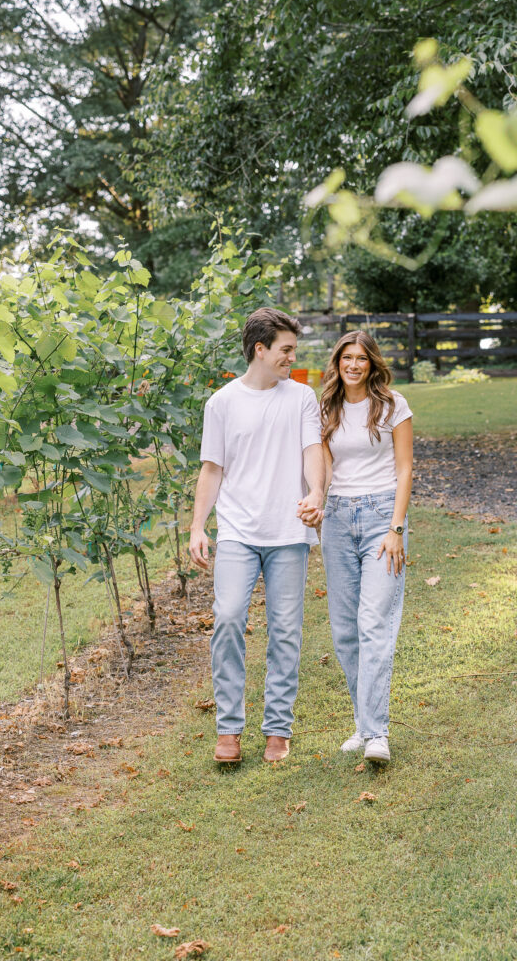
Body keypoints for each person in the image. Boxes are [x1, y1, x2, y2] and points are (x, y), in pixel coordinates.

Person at [189, 307, 324, 765]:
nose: (292, 357)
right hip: (238, 532)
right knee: (227, 618)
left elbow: (311, 452)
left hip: (289, 531)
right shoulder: (222, 403)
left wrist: (318, 492)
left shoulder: (302, 398)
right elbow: (212, 469)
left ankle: (277, 729)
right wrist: (196, 527)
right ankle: (229, 729)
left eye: (294, 350)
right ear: (260, 349)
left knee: (285, 630)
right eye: (286, 350)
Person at [316, 330, 413, 764]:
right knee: (345, 631)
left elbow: (406, 468)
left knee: (374, 622)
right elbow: (323, 465)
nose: (353, 365)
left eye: (361, 359)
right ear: (337, 362)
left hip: (381, 520)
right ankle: (363, 723)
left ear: (372, 364)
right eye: (346, 358)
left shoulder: (393, 405)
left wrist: (396, 527)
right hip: (336, 520)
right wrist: (315, 501)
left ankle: (377, 734)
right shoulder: (326, 408)